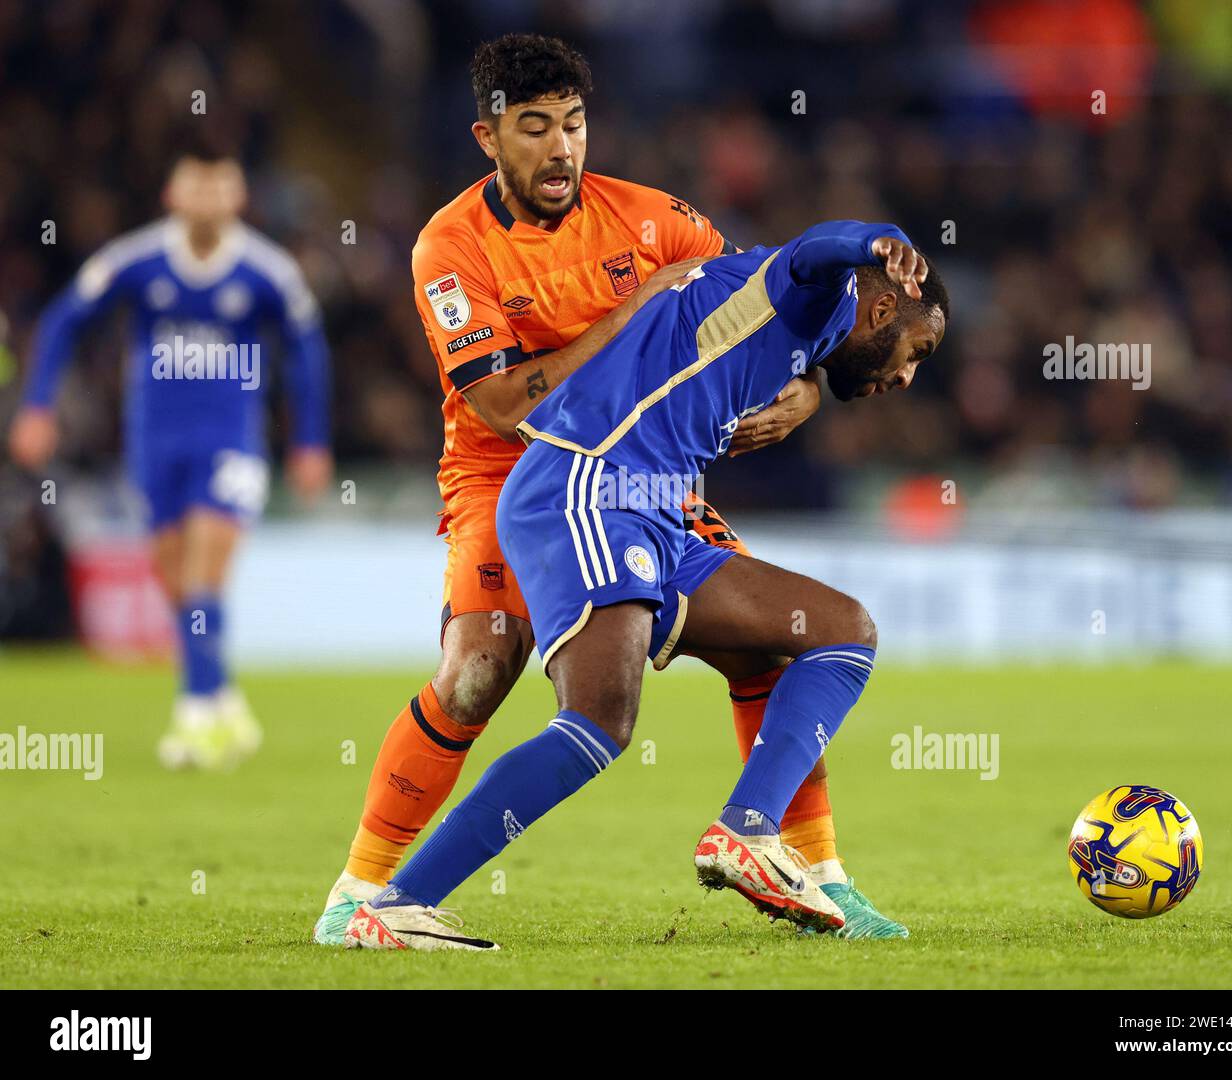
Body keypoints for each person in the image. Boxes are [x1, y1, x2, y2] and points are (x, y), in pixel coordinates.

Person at [316, 33, 894, 941]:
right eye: (535, 127)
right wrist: (632, 314)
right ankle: (364, 890)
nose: (560, 148)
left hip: (651, 470)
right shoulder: (449, 247)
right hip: (510, 469)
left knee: (769, 643)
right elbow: (504, 404)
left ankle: (817, 869)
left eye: (574, 125)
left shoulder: (658, 219)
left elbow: (762, 308)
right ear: (488, 137)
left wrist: (805, 396)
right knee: (477, 674)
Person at [343, 220, 948, 950]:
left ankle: (747, 831)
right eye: (917, 352)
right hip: (587, 488)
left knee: (842, 631)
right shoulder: (811, 288)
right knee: (598, 723)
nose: (908, 377)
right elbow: (816, 249)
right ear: (883, 309)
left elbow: (804, 354)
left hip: (657, 513)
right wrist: (876, 239)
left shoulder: (805, 335)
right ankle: (397, 903)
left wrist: (809, 394)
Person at [7, 136, 332, 769]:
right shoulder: (136, 261)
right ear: (172, 193)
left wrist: (311, 441)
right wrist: (38, 404)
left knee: (207, 563)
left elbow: (308, 353)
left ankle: (193, 715)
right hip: (154, 441)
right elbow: (62, 322)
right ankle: (224, 698)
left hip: (231, 440)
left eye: (220, 184)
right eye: (196, 184)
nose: (208, 197)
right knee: (173, 572)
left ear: (238, 193)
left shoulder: (268, 271)